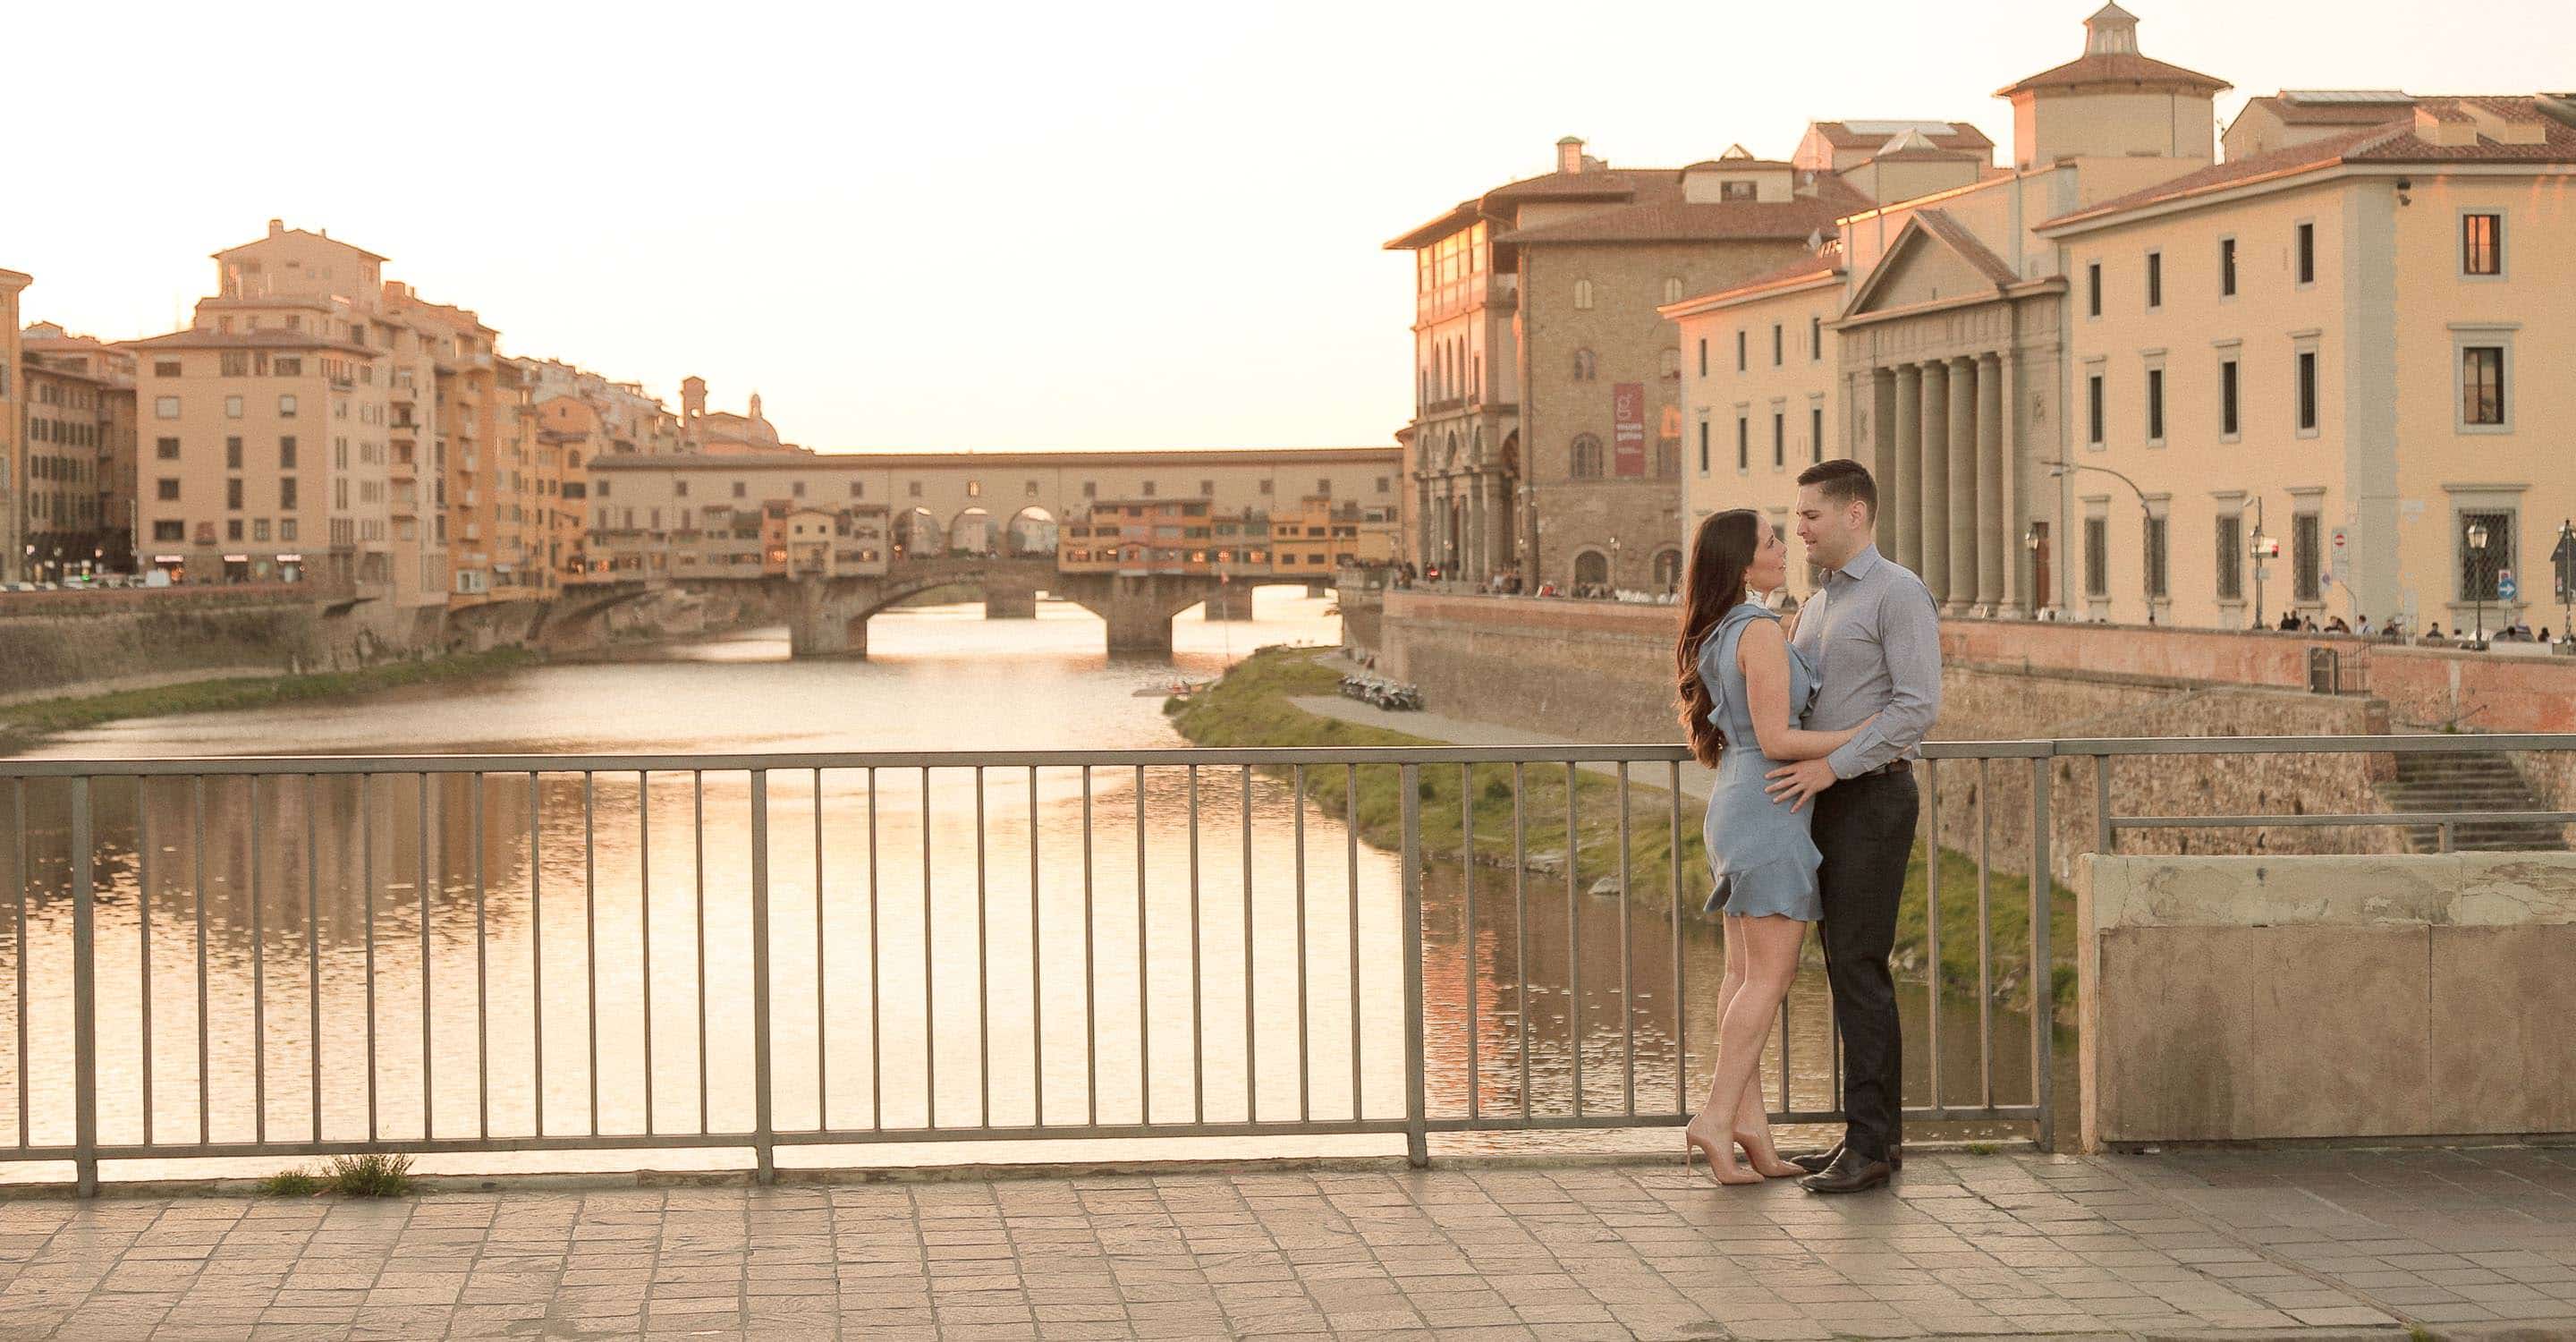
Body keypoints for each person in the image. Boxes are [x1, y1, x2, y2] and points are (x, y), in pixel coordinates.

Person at [1674, 510, 1875, 1186]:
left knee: (1742, 975)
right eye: (1769, 541)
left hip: (1741, 803)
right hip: (1769, 808)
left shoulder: (1726, 627)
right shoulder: (1756, 630)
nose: (1784, 547)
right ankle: (1716, 1115)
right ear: (1741, 563)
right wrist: (1870, 733)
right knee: (1771, 977)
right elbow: (1780, 739)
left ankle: (1750, 1126)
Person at [1766, 459, 1941, 1195]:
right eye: (1798, 517)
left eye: (1810, 516)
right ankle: (1873, 1139)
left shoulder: (1898, 593)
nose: (1799, 529)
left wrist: (1830, 770)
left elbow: (1915, 707)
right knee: (1844, 966)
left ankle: (1869, 1146)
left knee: (1860, 968)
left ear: (1855, 514)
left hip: (1869, 798)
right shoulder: (1817, 604)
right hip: (1830, 799)